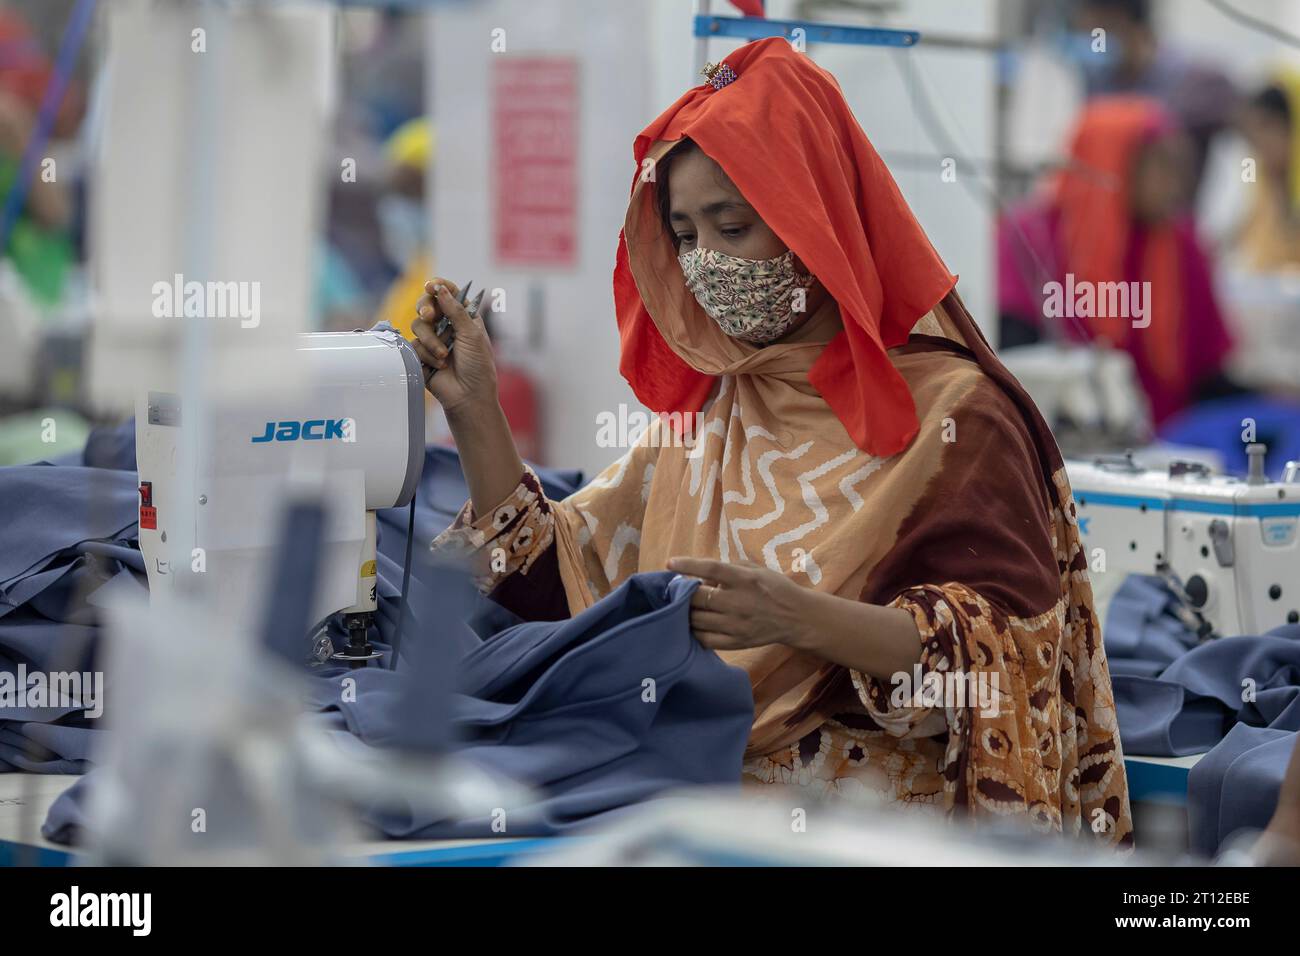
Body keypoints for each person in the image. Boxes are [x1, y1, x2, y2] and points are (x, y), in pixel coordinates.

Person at [414, 38, 1132, 845]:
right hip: (695, 817)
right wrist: (475, 413)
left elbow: (1006, 662)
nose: (708, 264)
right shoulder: (719, 410)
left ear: (816, 217)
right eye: (685, 236)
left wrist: (798, 617)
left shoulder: (958, 417)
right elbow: (569, 588)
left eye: (734, 225)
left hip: (873, 842)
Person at [998, 96, 1237, 426]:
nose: (1177, 185)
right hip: (1054, 441)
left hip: (1170, 443)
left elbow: (1207, 375)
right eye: (1163, 166)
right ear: (1112, 165)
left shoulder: (1182, 246)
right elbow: (1016, 357)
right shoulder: (1031, 238)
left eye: (1180, 168)